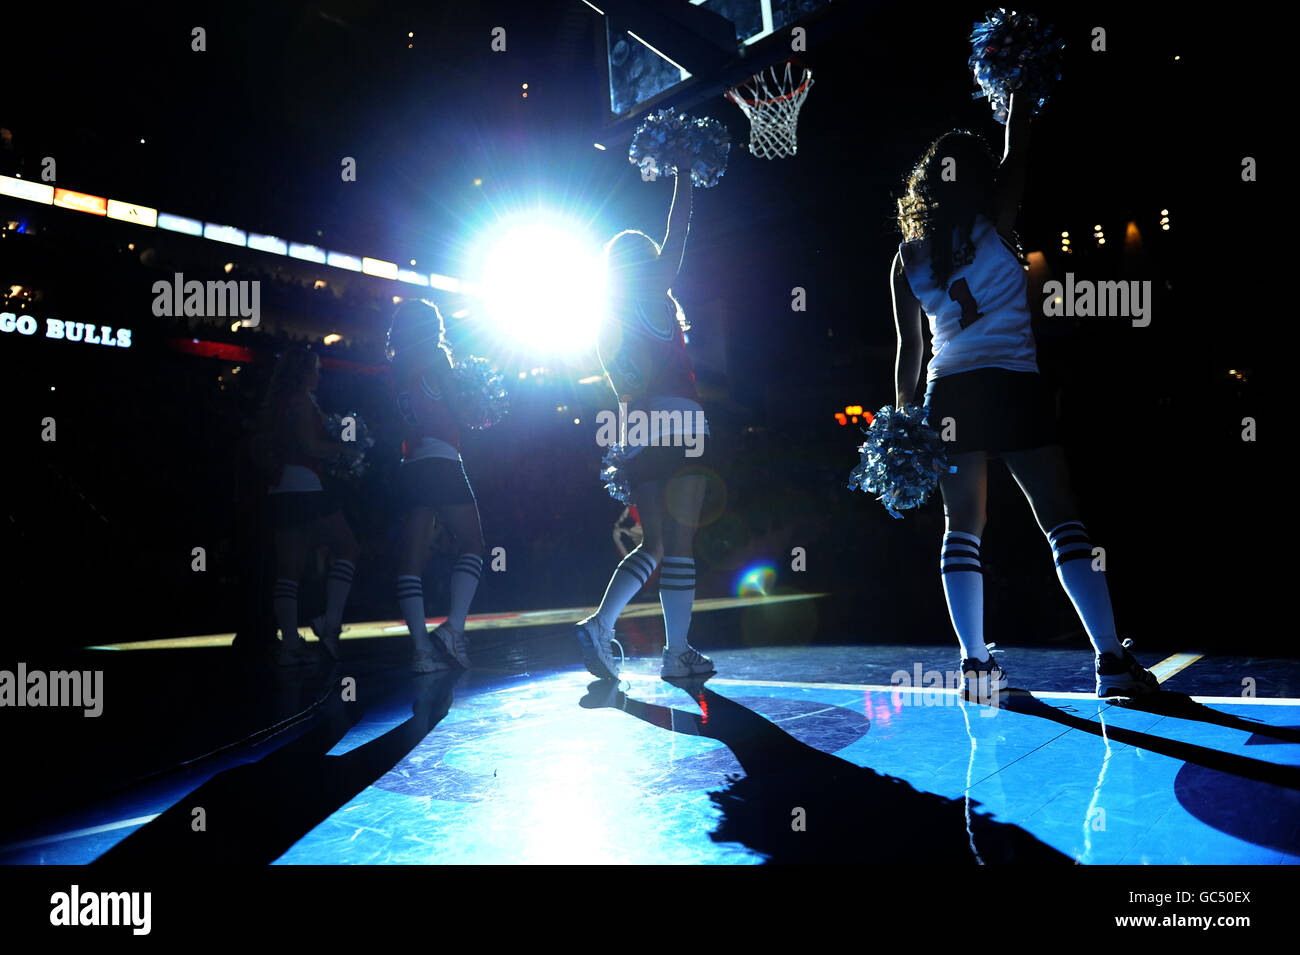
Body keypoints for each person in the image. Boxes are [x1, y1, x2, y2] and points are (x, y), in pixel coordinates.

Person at [892, 91, 1159, 700]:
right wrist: (1016, 87)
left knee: (961, 527)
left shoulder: (906, 257)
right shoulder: (998, 221)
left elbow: (908, 354)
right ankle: (1112, 662)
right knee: (1063, 520)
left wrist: (904, 422)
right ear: (978, 179)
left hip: (950, 392)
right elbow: (1019, 144)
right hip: (1013, 384)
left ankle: (975, 667)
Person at [576, 169, 715, 682]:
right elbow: (678, 230)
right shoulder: (653, 289)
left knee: (653, 543)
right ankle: (677, 652)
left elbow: (624, 390)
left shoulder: (603, 322)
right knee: (679, 544)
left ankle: (599, 624)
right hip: (680, 421)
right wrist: (686, 171)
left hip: (634, 431)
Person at [387, 300, 486, 673]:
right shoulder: (436, 360)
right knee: (474, 544)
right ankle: (453, 630)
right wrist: (479, 408)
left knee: (411, 562)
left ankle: (420, 652)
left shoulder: (396, 368)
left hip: (411, 463)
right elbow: (460, 410)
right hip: (443, 460)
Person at [254, 347, 360, 665]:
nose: (319, 374)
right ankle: (330, 623)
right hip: (305, 486)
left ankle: (290, 643)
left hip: (281, 488)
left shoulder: (283, 402)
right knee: (348, 548)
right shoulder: (300, 401)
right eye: (315, 368)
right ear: (302, 371)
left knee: (289, 570)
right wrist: (343, 449)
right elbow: (310, 446)